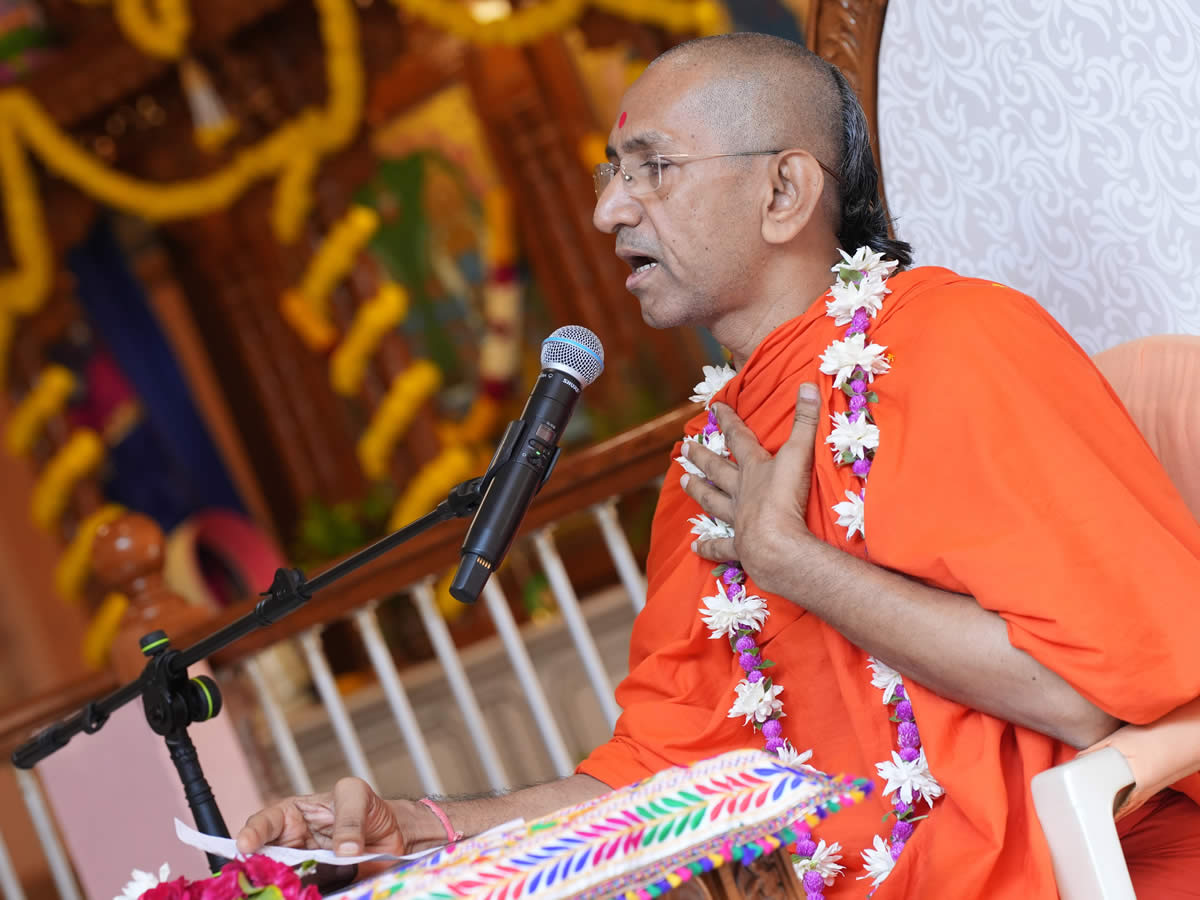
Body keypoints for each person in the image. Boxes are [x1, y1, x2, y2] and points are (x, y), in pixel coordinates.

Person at [236, 32, 1200, 897]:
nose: (611, 209)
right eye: (613, 173)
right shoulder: (712, 455)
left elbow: (1087, 696)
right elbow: (664, 768)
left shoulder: (961, 342)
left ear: (784, 191)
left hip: (1098, 860)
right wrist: (424, 831)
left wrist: (797, 567)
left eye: (652, 168)